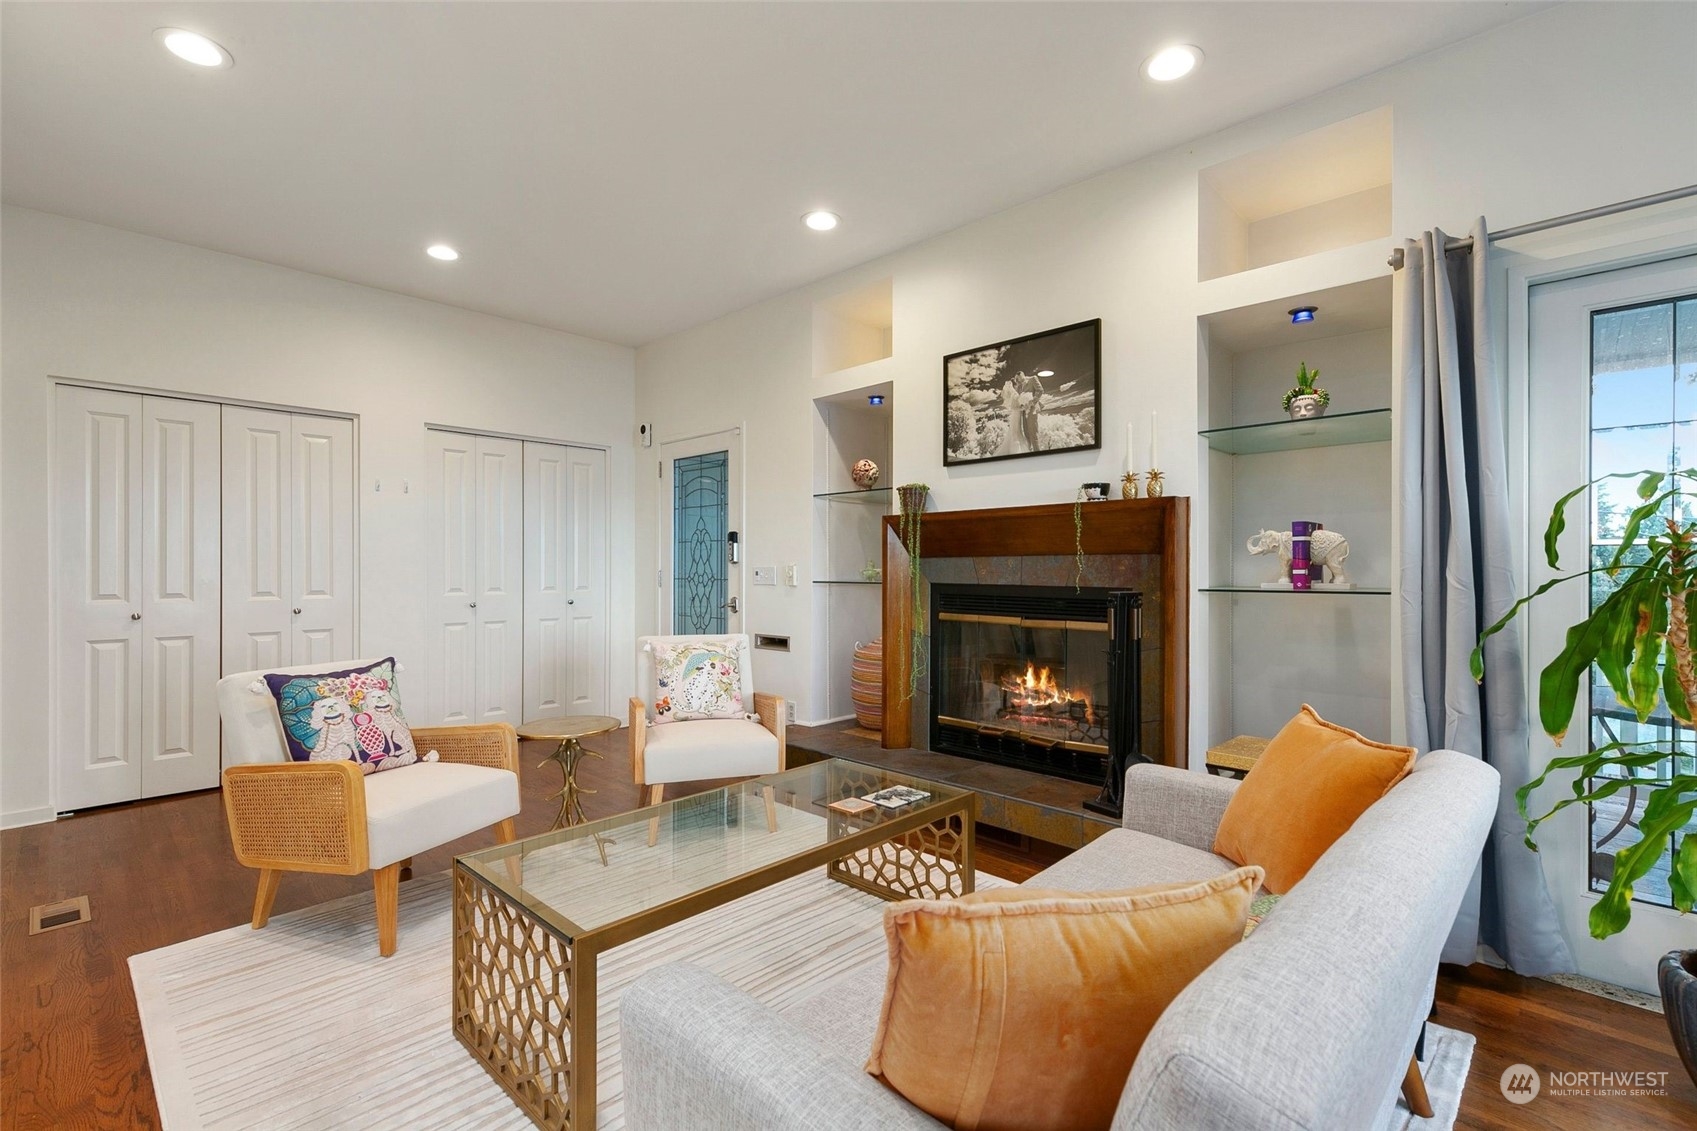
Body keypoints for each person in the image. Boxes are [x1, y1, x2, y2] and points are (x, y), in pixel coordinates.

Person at [1016, 371, 1045, 449]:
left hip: (1032, 409)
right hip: (1023, 411)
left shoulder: (1032, 379)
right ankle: (1029, 451)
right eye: (1017, 379)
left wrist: (1032, 402)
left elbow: (1040, 390)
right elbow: (1019, 398)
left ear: (1022, 374)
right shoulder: (1019, 387)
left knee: (1033, 433)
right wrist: (1021, 405)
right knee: (1026, 433)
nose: (1018, 380)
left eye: (1019, 377)